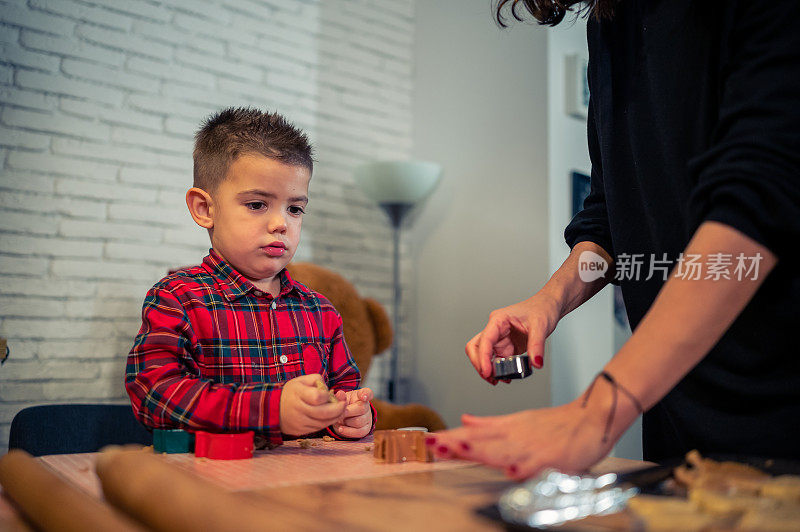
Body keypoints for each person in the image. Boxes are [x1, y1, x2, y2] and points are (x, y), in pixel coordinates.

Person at [427, 0, 800, 478]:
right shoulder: (610, 25)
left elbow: (759, 198)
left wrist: (595, 413)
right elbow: (610, 214)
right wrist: (548, 302)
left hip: (782, 406)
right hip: (674, 410)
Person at [126, 108, 374, 447]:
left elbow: (345, 392)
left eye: (295, 208)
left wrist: (353, 417)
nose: (280, 224)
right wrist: (269, 409)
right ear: (205, 209)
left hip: (309, 488)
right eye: (258, 204)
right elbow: (154, 394)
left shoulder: (321, 311)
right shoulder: (178, 298)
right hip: (217, 485)